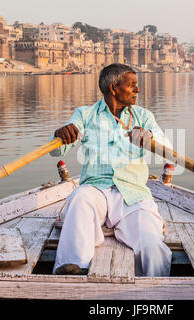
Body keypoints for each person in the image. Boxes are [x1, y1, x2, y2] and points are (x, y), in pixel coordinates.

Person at [50, 63, 172, 277]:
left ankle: (156, 293)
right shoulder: (85, 115)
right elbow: (57, 152)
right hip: (95, 190)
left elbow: (167, 148)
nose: (138, 90)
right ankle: (73, 270)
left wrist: (150, 138)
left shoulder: (143, 116)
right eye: (132, 85)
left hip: (132, 194)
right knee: (79, 198)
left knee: (153, 246)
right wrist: (62, 135)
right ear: (114, 88)